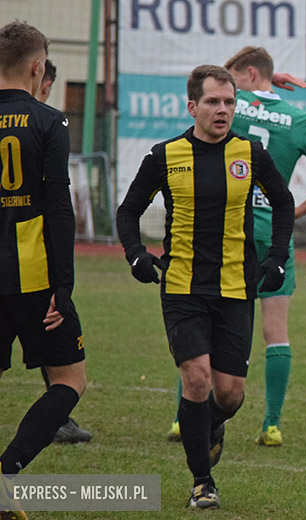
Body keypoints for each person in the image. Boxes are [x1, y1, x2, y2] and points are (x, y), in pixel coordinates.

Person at [116, 65, 294, 509]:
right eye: (213, 102)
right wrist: (136, 254)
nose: (223, 110)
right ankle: (202, 481)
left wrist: (276, 258)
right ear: (192, 106)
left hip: (236, 288)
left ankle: (209, 424)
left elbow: (284, 201)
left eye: (230, 102)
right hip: (182, 288)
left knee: (229, 393)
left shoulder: (250, 154)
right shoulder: (164, 155)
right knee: (196, 380)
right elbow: (128, 211)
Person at [223, 46, 306, 447]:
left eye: (233, 78)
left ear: (249, 73)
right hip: (274, 233)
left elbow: (206, 83)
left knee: (210, 321)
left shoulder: (233, 105)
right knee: (276, 331)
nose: (228, 88)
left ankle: (182, 418)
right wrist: (292, 210)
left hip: (228, 228)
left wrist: (262, 84)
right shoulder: (297, 118)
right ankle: (272, 425)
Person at [0, 21, 87, 520]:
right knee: (69, 380)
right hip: (32, 277)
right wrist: (65, 286)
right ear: (38, 68)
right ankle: (7, 472)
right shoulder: (49, 121)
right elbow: (58, 208)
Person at [31, 57, 93, 445]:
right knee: (67, 368)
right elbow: (58, 203)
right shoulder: (46, 122)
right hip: (30, 261)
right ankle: (57, 418)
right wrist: (64, 278)